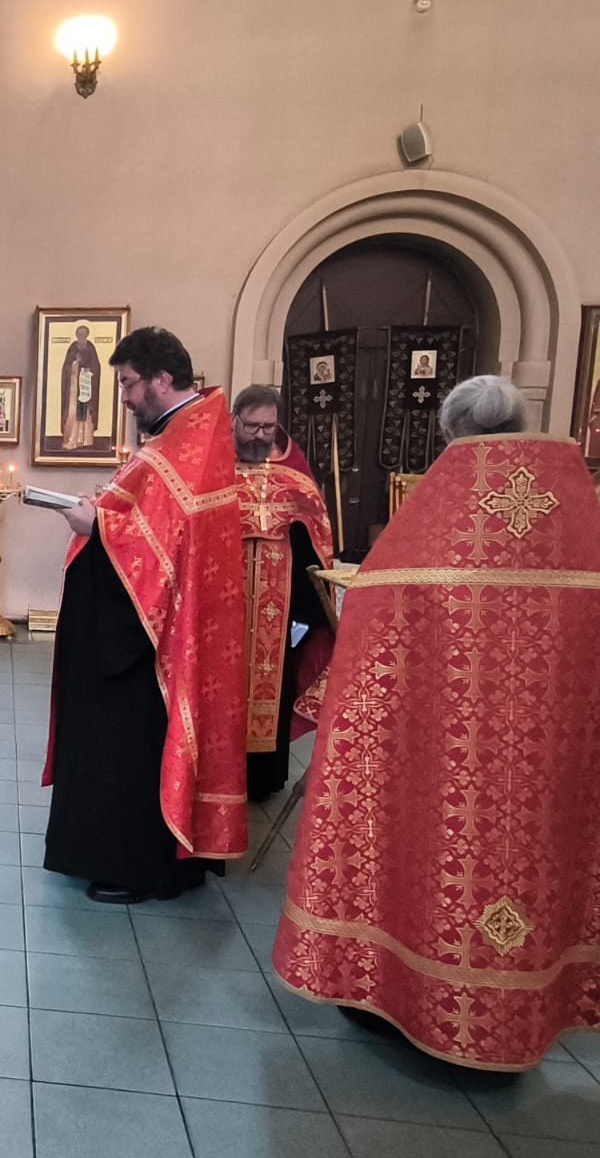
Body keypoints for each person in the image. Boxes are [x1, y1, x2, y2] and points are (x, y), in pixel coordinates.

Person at [274, 376, 600, 1070]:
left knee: (428, 852)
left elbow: (370, 644)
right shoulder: (582, 523)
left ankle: (404, 993)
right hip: (550, 763)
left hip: (446, 758)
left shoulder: (433, 527)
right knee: (539, 863)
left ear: (451, 434)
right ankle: (524, 1009)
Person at [42, 326, 246, 904]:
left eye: (130, 384)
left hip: (147, 639)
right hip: (146, 623)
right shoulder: (183, 437)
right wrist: (107, 516)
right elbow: (159, 528)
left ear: (162, 379)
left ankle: (139, 867)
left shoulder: (185, 445)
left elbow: (165, 545)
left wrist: (98, 523)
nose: (126, 397)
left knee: (131, 742)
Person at [233, 385, 333, 801]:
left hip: (278, 604)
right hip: (225, 597)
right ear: (235, 422)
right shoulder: (213, 473)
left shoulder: (294, 477)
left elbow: (315, 541)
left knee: (274, 679)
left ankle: (262, 778)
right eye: (252, 426)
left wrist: (312, 608)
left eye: (268, 427)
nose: (260, 435)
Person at [60, 325, 100, 449]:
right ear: (77, 335)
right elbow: (66, 366)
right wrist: (74, 364)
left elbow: (96, 366)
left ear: (87, 335)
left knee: (86, 411)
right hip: (73, 387)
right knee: (72, 411)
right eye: (79, 334)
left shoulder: (90, 348)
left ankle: (86, 439)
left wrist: (88, 370)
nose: (81, 336)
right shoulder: (72, 347)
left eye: (84, 334)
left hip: (86, 386)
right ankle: (71, 438)